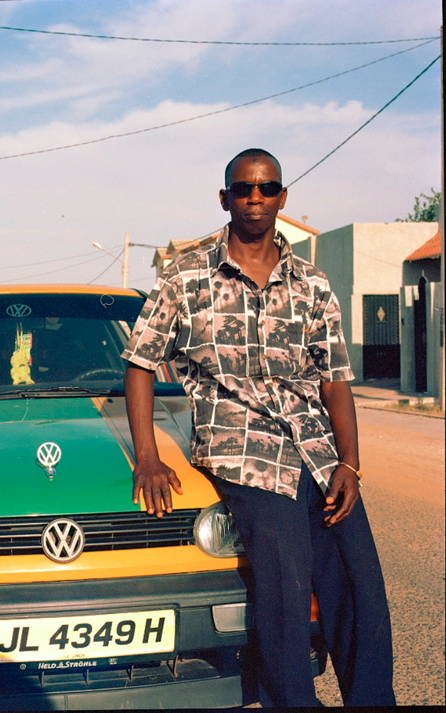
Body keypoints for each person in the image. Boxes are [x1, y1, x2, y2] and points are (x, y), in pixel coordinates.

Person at [121, 148, 395, 707]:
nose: (255, 198)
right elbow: (140, 363)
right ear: (225, 198)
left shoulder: (312, 283)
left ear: (282, 196)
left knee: (360, 586)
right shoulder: (186, 275)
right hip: (240, 447)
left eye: (267, 188)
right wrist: (148, 457)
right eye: (243, 189)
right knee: (286, 586)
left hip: (315, 451)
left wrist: (350, 462)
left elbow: (335, 379)